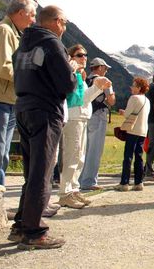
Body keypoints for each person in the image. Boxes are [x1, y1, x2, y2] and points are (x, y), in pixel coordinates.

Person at [10, 5, 75, 249]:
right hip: (46, 111)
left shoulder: (24, 43)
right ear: (57, 21)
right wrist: (71, 69)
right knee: (43, 172)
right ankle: (35, 232)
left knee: (31, 171)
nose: (65, 27)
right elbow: (67, 84)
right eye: (65, 22)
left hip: (24, 106)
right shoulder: (52, 43)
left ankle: (20, 225)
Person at [0, 0, 37, 185]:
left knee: (0, 155)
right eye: (32, 15)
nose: (34, 20)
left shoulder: (12, 33)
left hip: (5, 100)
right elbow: (3, 66)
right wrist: (32, 79)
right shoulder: (3, 31)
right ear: (21, 13)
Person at [57, 45, 112, 209]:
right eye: (80, 55)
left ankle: (74, 189)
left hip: (82, 118)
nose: (84, 58)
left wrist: (98, 87)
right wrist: (71, 72)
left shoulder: (80, 77)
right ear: (70, 57)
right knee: (71, 157)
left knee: (80, 157)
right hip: (73, 118)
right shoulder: (69, 74)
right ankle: (65, 193)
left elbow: (84, 99)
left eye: (85, 55)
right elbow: (71, 97)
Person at [79, 57, 116, 191]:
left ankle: (80, 179)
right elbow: (111, 101)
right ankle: (89, 181)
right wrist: (111, 95)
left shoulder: (85, 79)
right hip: (99, 114)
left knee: (84, 148)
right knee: (95, 149)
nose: (106, 71)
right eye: (105, 68)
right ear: (100, 67)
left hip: (86, 114)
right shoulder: (104, 81)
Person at [115, 77, 150, 191]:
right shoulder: (147, 100)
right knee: (139, 156)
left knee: (128, 156)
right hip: (143, 131)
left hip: (132, 130)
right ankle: (138, 182)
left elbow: (128, 114)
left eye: (134, 85)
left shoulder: (133, 98)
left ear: (139, 88)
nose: (131, 87)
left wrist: (123, 112)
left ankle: (124, 182)